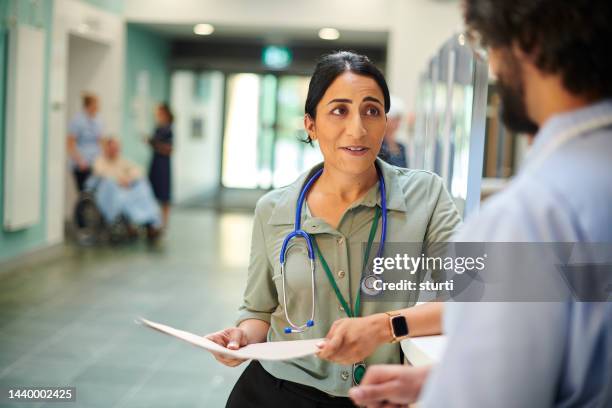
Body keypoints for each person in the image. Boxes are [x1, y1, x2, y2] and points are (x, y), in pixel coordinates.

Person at [349, 0, 612, 407]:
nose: (493, 68)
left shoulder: (529, 217)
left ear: (527, 43)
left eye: (488, 45)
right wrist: (444, 382)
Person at [205, 51, 462, 407]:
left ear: (385, 122)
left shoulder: (426, 196)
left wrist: (385, 326)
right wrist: (240, 338)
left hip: (377, 395)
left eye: (371, 111)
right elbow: (258, 313)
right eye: (339, 110)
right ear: (311, 124)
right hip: (277, 392)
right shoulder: (273, 210)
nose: (357, 128)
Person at [92, 138, 162, 240]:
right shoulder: (100, 161)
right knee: (122, 197)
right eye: (112, 148)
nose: (114, 150)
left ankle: (151, 223)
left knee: (143, 186)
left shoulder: (122, 160)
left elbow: (138, 170)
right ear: (106, 148)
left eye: (116, 148)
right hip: (110, 191)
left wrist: (129, 179)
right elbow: (101, 174)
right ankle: (133, 223)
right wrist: (117, 180)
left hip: (127, 189)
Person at [67, 92, 103, 191]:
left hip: (95, 162)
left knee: (95, 193)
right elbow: (70, 144)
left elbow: (100, 141)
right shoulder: (78, 120)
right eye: (96, 103)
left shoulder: (98, 120)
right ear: (88, 105)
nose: (98, 106)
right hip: (82, 164)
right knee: (84, 193)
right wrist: (80, 161)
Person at [148, 103, 174, 228]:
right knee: (152, 192)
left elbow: (169, 149)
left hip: (163, 163)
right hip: (156, 162)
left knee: (164, 195)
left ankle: (164, 224)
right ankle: (153, 222)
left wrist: (156, 144)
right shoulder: (158, 127)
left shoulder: (168, 129)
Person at [378, 95, 408, 168]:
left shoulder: (401, 147)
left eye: (399, 119)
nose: (398, 123)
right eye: (395, 119)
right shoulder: (378, 146)